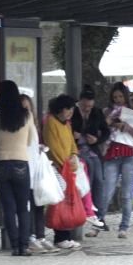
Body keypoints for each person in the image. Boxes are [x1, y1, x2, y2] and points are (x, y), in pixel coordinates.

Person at [87, 82, 133, 238]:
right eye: (115, 97)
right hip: (111, 155)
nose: (118, 100)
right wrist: (108, 122)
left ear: (125, 96)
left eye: (120, 96)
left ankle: (124, 227)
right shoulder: (107, 111)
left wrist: (126, 127)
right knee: (106, 194)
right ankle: (97, 225)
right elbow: (98, 132)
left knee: (126, 194)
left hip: (129, 155)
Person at [0, 81, 35, 256]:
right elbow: (30, 141)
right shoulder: (26, 115)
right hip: (20, 163)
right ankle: (24, 247)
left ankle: (14, 245)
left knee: (8, 207)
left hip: (1, 164)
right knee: (22, 207)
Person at [43, 94, 82, 249]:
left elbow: (72, 144)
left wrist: (73, 156)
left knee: (68, 201)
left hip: (67, 168)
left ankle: (66, 235)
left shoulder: (67, 125)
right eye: (68, 109)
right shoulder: (51, 123)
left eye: (72, 109)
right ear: (60, 109)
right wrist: (66, 162)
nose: (70, 112)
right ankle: (60, 237)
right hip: (57, 169)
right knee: (60, 202)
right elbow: (53, 148)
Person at [20, 94, 56, 253]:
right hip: (26, 168)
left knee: (39, 204)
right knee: (28, 205)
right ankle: (31, 236)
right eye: (23, 108)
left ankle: (40, 236)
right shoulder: (22, 125)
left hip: (36, 169)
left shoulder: (34, 125)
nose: (26, 111)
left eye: (28, 108)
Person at [70, 85, 107, 231]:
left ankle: (99, 214)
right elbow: (66, 128)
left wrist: (97, 139)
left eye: (90, 106)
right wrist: (72, 135)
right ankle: (87, 204)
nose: (87, 109)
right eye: (84, 105)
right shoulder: (72, 112)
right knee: (89, 167)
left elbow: (106, 132)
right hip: (77, 149)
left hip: (91, 149)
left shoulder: (96, 112)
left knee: (100, 180)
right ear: (79, 101)